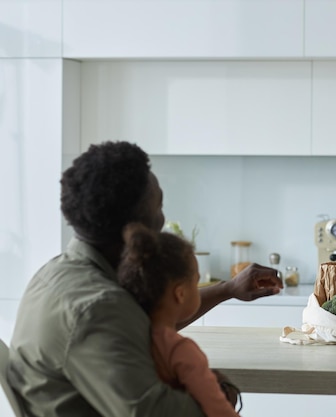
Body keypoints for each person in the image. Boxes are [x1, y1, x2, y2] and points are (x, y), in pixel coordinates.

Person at [8, 141, 283, 417]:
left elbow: (149, 322)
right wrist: (220, 391)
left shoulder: (60, 273)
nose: (164, 218)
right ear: (139, 231)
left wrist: (228, 289)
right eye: (160, 206)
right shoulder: (97, 309)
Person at [118, 222, 241, 416]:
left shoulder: (130, 337)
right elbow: (218, 410)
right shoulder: (181, 350)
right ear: (180, 294)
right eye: (196, 281)